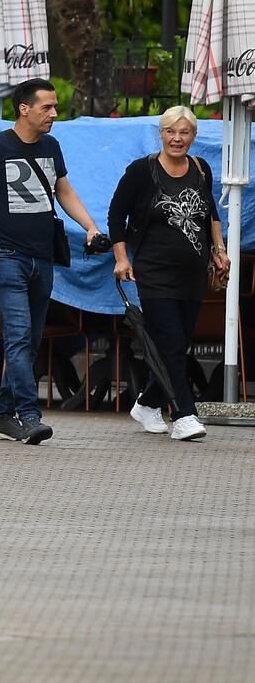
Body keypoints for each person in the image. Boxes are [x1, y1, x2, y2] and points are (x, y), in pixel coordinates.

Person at [0, 78, 103, 446]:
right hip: (6, 256)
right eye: (47, 107)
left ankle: (2, 417)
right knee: (19, 336)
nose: (54, 114)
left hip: (43, 256)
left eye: (55, 107)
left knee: (30, 339)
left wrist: (89, 226)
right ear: (24, 109)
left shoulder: (52, 146)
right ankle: (28, 415)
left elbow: (64, 191)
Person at [108, 107, 225, 442]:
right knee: (172, 343)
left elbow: (211, 214)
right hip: (154, 272)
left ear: (193, 136)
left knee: (179, 343)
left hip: (193, 273)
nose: (177, 139)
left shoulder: (201, 169)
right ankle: (185, 414)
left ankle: (147, 403)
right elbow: (117, 216)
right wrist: (121, 258)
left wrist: (219, 250)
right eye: (171, 132)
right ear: (161, 134)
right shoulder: (142, 171)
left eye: (184, 132)